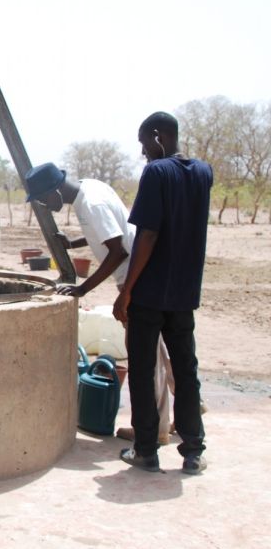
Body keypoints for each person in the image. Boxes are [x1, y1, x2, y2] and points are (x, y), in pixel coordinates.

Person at [24, 162, 173, 445]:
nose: (43, 204)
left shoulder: (91, 204)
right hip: (144, 276)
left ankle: (154, 430)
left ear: (55, 190)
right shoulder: (91, 188)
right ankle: (189, 408)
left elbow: (118, 251)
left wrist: (83, 289)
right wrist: (74, 243)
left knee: (145, 357)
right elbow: (107, 233)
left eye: (42, 198)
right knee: (159, 351)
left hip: (134, 279)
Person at [113, 111, 212, 475]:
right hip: (184, 293)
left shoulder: (156, 173)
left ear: (159, 136)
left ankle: (146, 451)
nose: (144, 153)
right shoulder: (204, 172)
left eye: (144, 144)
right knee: (186, 370)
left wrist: (128, 292)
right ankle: (193, 451)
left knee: (141, 370)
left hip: (151, 293)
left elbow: (148, 235)